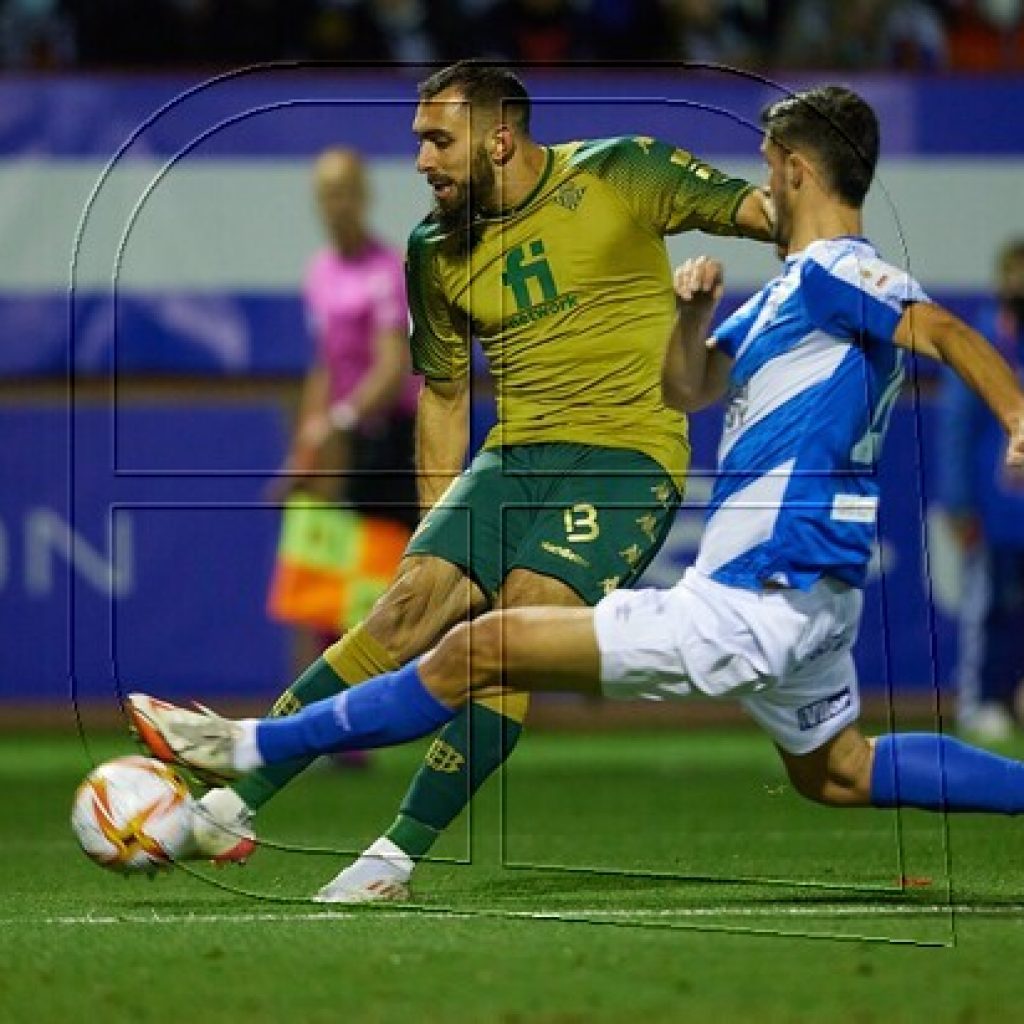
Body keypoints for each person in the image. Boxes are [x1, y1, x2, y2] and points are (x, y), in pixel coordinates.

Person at [130, 86, 1024, 848]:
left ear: (792, 168)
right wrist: (692, 312)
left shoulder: (817, 263)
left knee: (488, 643)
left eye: (765, 164)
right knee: (838, 771)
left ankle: (271, 764)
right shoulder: (779, 299)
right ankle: (249, 794)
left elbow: (934, 324)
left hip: (731, 571)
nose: (421, 161)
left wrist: (1018, 417)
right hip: (778, 588)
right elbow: (687, 383)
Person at [174, 60, 775, 898]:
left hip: (627, 458)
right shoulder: (432, 249)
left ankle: (395, 854)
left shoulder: (620, 170)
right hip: (513, 456)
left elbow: (764, 213)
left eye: (437, 140)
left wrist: (828, 241)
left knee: (517, 628)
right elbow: (446, 395)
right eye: (418, 140)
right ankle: (234, 804)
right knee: (406, 605)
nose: (420, 160)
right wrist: (435, 532)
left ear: (499, 137)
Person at [268, 148, 418, 767]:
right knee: (325, 584)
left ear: (364, 196)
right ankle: (328, 727)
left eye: (345, 192)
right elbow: (325, 366)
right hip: (342, 440)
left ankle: (447, 708)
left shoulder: (388, 272)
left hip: (391, 441)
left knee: (403, 585)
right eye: (325, 194)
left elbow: (393, 365)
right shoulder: (319, 273)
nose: (336, 205)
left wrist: (340, 421)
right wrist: (309, 439)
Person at [940, 239, 1024, 740]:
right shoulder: (984, 341)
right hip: (996, 510)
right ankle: (982, 699)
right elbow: (957, 427)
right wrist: (959, 503)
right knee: (990, 606)